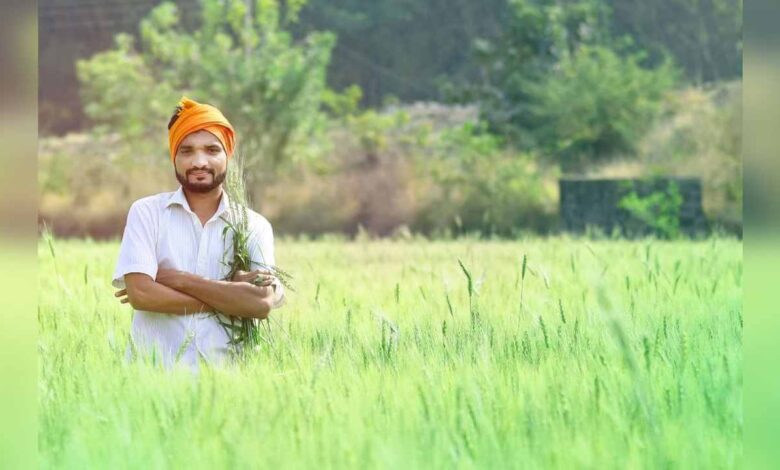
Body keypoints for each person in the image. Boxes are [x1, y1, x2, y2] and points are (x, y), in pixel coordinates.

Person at [111, 96, 285, 370]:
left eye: (212, 150)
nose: (199, 162)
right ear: (174, 157)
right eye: (187, 151)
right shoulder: (147, 213)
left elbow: (261, 303)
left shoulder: (254, 226)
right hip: (151, 379)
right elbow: (142, 295)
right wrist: (231, 295)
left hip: (226, 381)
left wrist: (176, 279)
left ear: (228, 155)